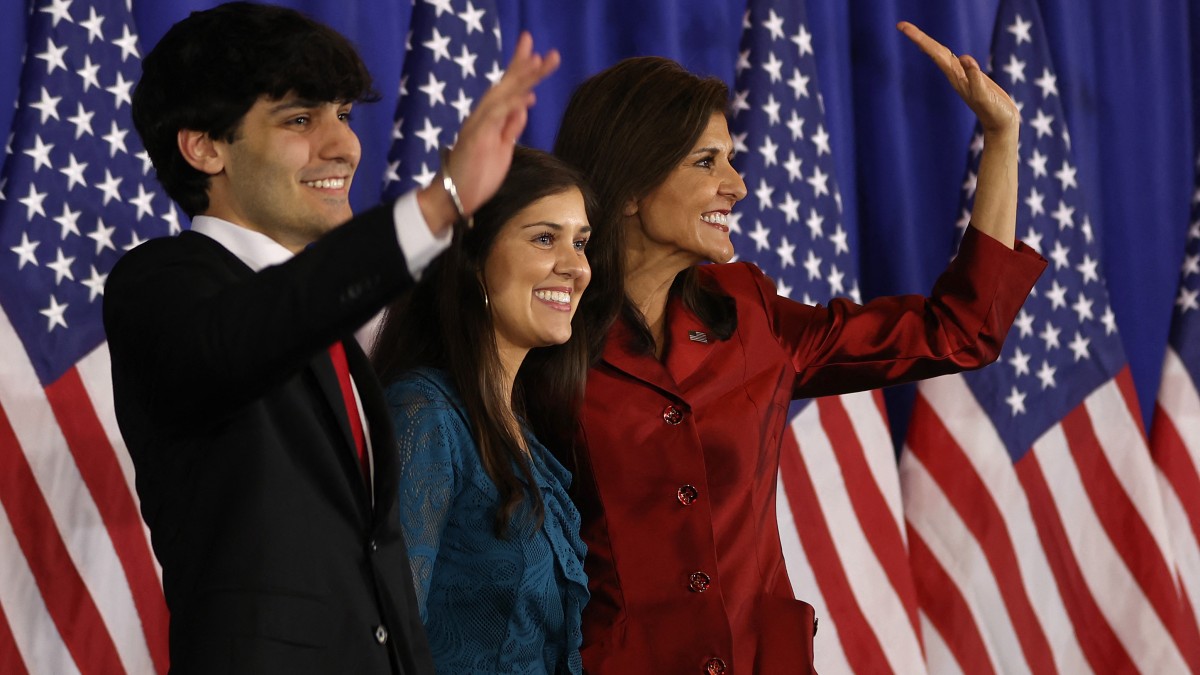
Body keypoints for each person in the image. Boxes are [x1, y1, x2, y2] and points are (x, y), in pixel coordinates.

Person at [552, 22, 1048, 674]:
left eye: (730, 159)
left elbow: (960, 330)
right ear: (632, 189)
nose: (737, 185)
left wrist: (1003, 140)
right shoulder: (546, 337)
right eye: (707, 162)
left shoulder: (750, 315)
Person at [102, 3, 558, 673]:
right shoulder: (161, 284)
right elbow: (252, 335)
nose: (343, 145)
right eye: (298, 119)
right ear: (204, 146)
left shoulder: (331, 327)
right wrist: (437, 205)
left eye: (342, 115)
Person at [371, 146, 593, 674]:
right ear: (473, 259)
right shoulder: (424, 415)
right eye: (545, 238)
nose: (576, 267)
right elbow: (386, 640)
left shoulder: (524, 435)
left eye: (581, 242)